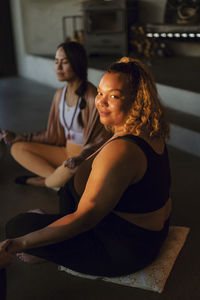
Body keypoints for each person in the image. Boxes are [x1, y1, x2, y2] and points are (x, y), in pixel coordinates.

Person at [2, 57, 171, 277]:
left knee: (18, 225)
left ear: (136, 101)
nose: (100, 102)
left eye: (114, 96)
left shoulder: (122, 151)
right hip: (151, 229)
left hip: (125, 248)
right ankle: (51, 229)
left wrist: (20, 243)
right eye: (100, 92)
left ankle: (44, 246)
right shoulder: (149, 128)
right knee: (71, 183)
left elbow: (84, 219)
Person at [0, 41, 111, 188]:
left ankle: (45, 182)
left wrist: (80, 158)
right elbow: (53, 135)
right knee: (17, 148)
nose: (58, 68)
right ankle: (59, 181)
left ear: (77, 64)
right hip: (65, 154)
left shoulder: (92, 97)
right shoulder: (59, 95)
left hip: (82, 160)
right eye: (56, 62)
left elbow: (100, 140)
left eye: (64, 62)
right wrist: (19, 137)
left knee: (70, 169)